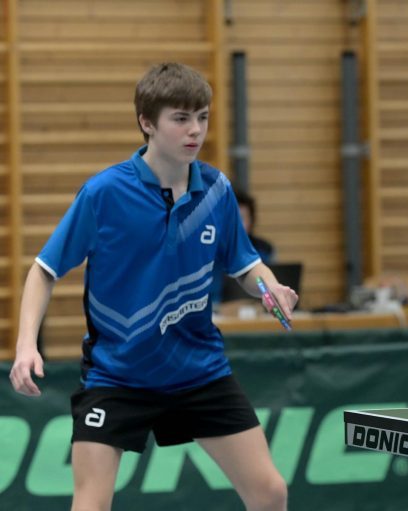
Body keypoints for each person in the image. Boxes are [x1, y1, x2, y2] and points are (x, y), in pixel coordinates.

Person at [8, 62, 297, 511]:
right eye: (180, 118)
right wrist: (26, 345)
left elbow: (245, 265)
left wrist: (270, 287)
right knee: (90, 504)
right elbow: (44, 270)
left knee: (271, 492)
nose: (195, 130)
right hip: (117, 374)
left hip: (198, 370)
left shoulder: (216, 191)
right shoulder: (104, 194)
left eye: (202, 117)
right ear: (147, 122)